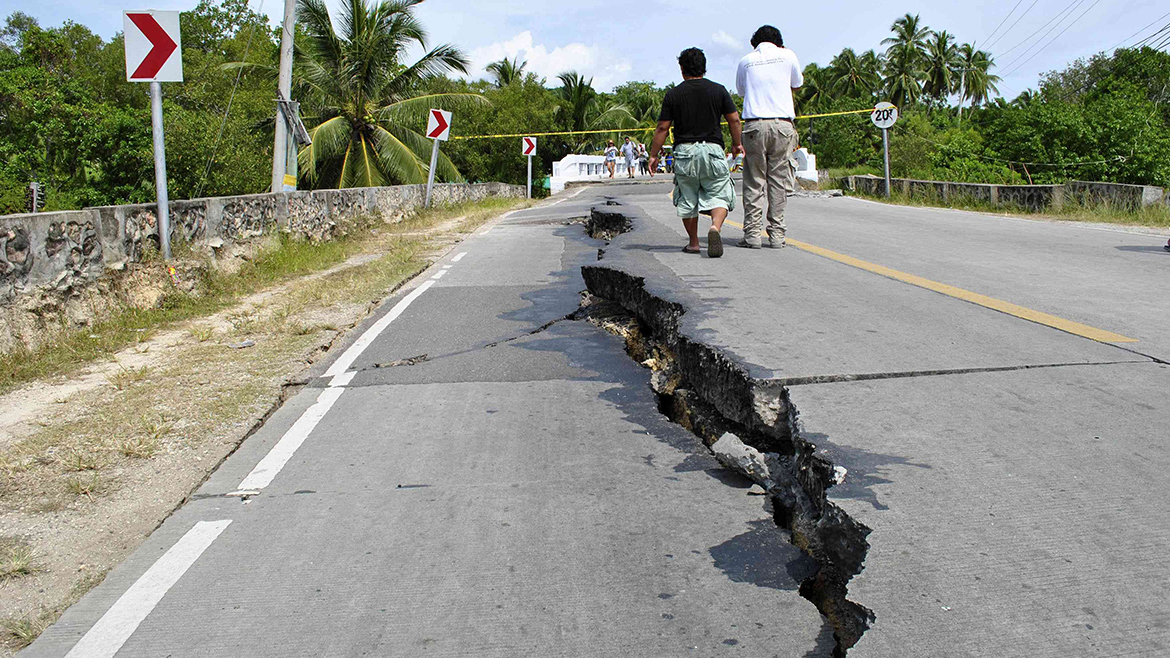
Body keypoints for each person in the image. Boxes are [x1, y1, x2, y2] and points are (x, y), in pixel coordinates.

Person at [649, 47, 744, 258]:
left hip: (685, 152)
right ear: (704, 68)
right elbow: (734, 120)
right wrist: (737, 143)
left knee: (687, 197)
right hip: (712, 149)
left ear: (682, 69)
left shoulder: (674, 94)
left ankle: (693, 243)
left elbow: (662, 128)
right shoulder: (719, 91)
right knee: (719, 192)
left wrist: (654, 155)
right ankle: (715, 228)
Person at [736, 25, 802, 249]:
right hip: (782, 125)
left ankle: (753, 235)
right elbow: (797, 84)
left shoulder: (746, 61)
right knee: (778, 182)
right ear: (778, 41)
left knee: (755, 182)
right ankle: (777, 236)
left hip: (754, 125)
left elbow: (742, 92)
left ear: (755, 42)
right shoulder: (788, 55)